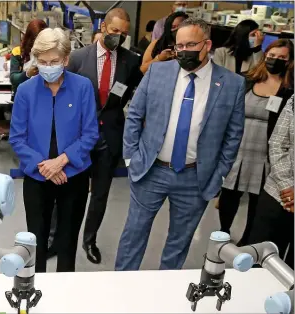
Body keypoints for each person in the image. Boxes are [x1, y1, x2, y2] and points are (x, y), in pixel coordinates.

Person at [117, 18, 245, 271]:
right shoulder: (158, 71)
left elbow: (233, 135)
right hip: (151, 170)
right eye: (179, 45)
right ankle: (121, 285)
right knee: (134, 235)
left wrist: (218, 174)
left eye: (190, 44)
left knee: (179, 242)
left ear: (207, 45)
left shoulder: (232, 84)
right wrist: (131, 158)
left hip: (195, 177)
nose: (183, 51)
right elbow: (134, 114)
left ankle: (167, 291)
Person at [10, 27, 98, 272]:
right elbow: (17, 138)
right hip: (37, 178)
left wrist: (61, 162)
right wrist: (46, 166)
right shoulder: (26, 91)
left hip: (74, 176)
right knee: (35, 242)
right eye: (43, 61)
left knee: (67, 242)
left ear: (66, 60)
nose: (48, 66)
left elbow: (90, 133)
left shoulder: (82, 87)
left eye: (54, 61)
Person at [67, 8, 142, 264]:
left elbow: (132, 91)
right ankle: (58, 237)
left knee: (100, 194)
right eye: (114, 32)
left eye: (124, 34)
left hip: (109, 136)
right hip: (77, 136)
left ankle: (89, 240)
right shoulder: (77, 58)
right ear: (103, 28)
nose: (118, 37)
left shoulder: (130, 61)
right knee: (67, 189)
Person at [218, 39, 294, 244]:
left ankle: (246, 239)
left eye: (282, 58)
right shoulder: (246, 80)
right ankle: (223, 231)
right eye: (272, 55)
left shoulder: (289, 90)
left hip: (266, 152)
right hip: (238, 148)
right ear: (264, 56)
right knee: (229, 195)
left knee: (256, 199)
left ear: (289, 61)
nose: (275, 60)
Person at [248, 96, 294, 268]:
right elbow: (277, 143)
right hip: (278, 194)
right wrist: (287, 185)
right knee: (259, 262)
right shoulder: (293, 101)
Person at [10, 19, 48, 95]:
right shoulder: (18, 52)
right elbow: (13, 78)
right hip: (22, 95)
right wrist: (27, 74)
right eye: (35, 40)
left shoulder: (49, 53)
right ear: (29, 38)